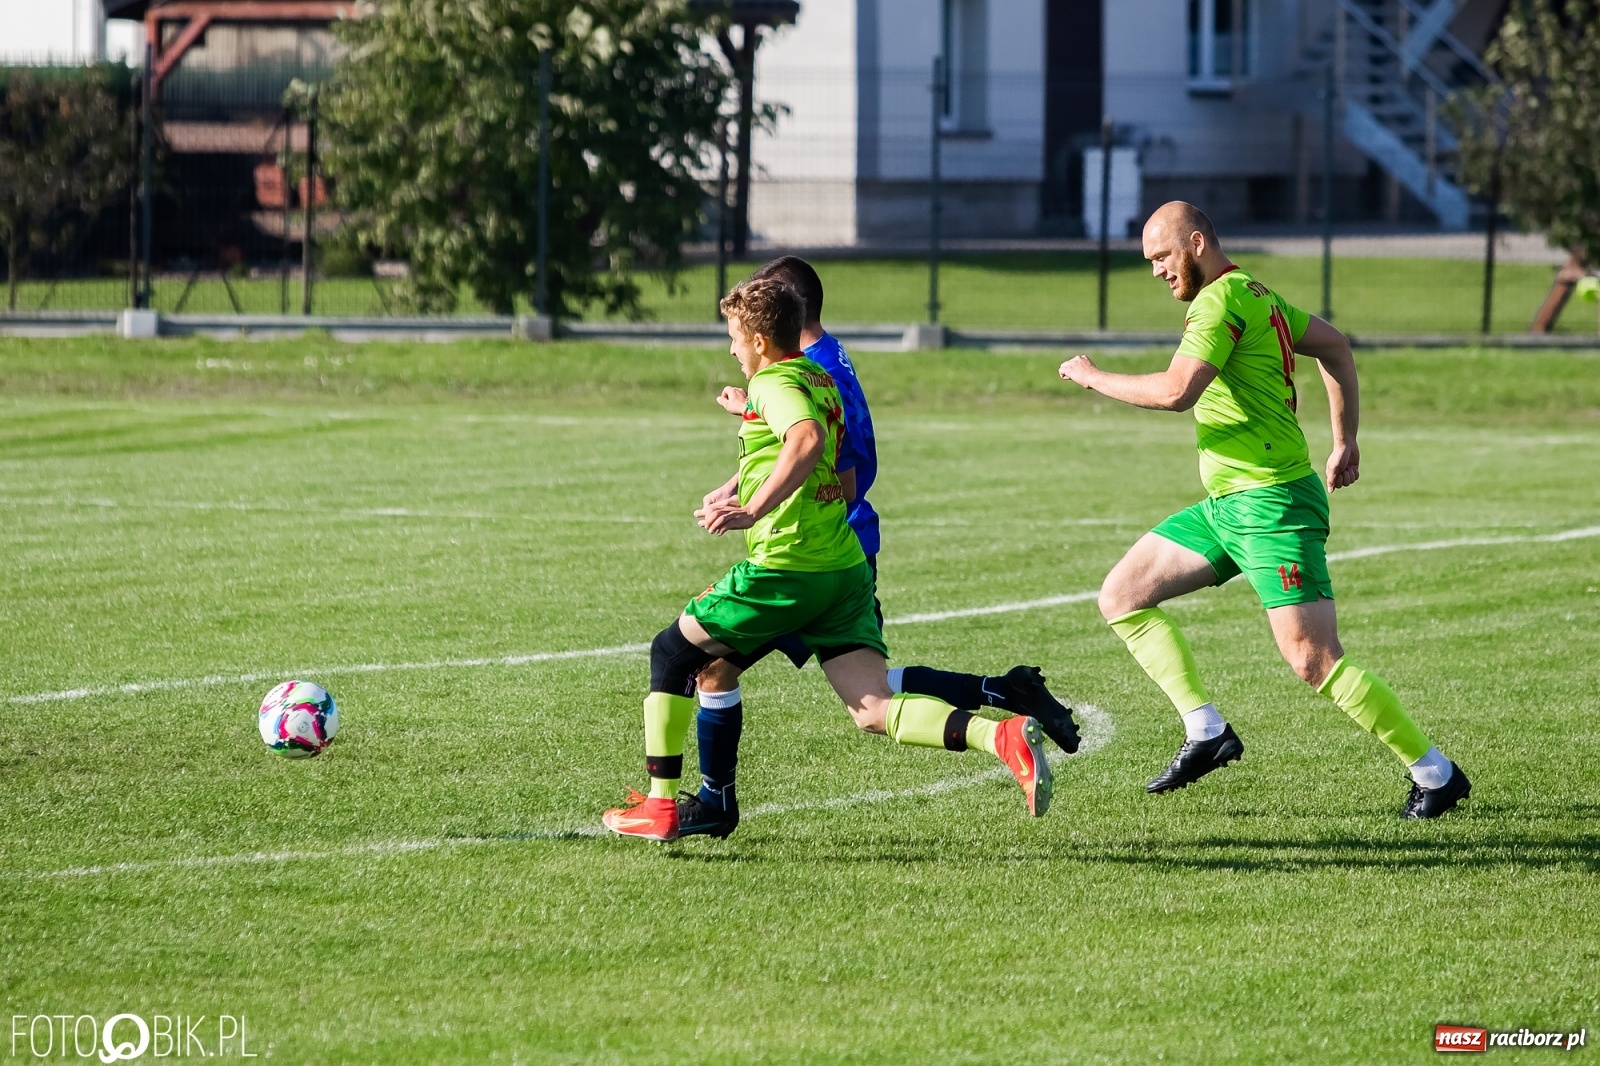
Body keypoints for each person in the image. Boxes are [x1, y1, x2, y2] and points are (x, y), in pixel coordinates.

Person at [1058, 201, 1470, 819]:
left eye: (1162, 257)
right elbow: (1334, 345)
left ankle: (1436, 774)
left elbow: (1177, 391)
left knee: (1312, 658)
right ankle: (1206, 730)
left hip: (1272, 503)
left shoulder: (1220, 301)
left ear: (1196, 243)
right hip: (1230, 506)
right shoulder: (1259, 295)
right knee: (1121, 595)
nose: (1156, 272)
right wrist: (1345, 438)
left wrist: (1092, 376)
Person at [602, 278, 1054, 842]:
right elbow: (840, 479)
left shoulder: (772, 380)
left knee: (671, 652)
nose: (732, 350)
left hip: (791, 566)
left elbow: (806, 441)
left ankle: (661, 805)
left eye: (735, 339)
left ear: (761, 341)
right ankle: (1001, 738)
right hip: (843, 570)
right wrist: (746, 486)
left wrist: (755, 509)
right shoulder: (820, 379)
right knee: (872, 707)